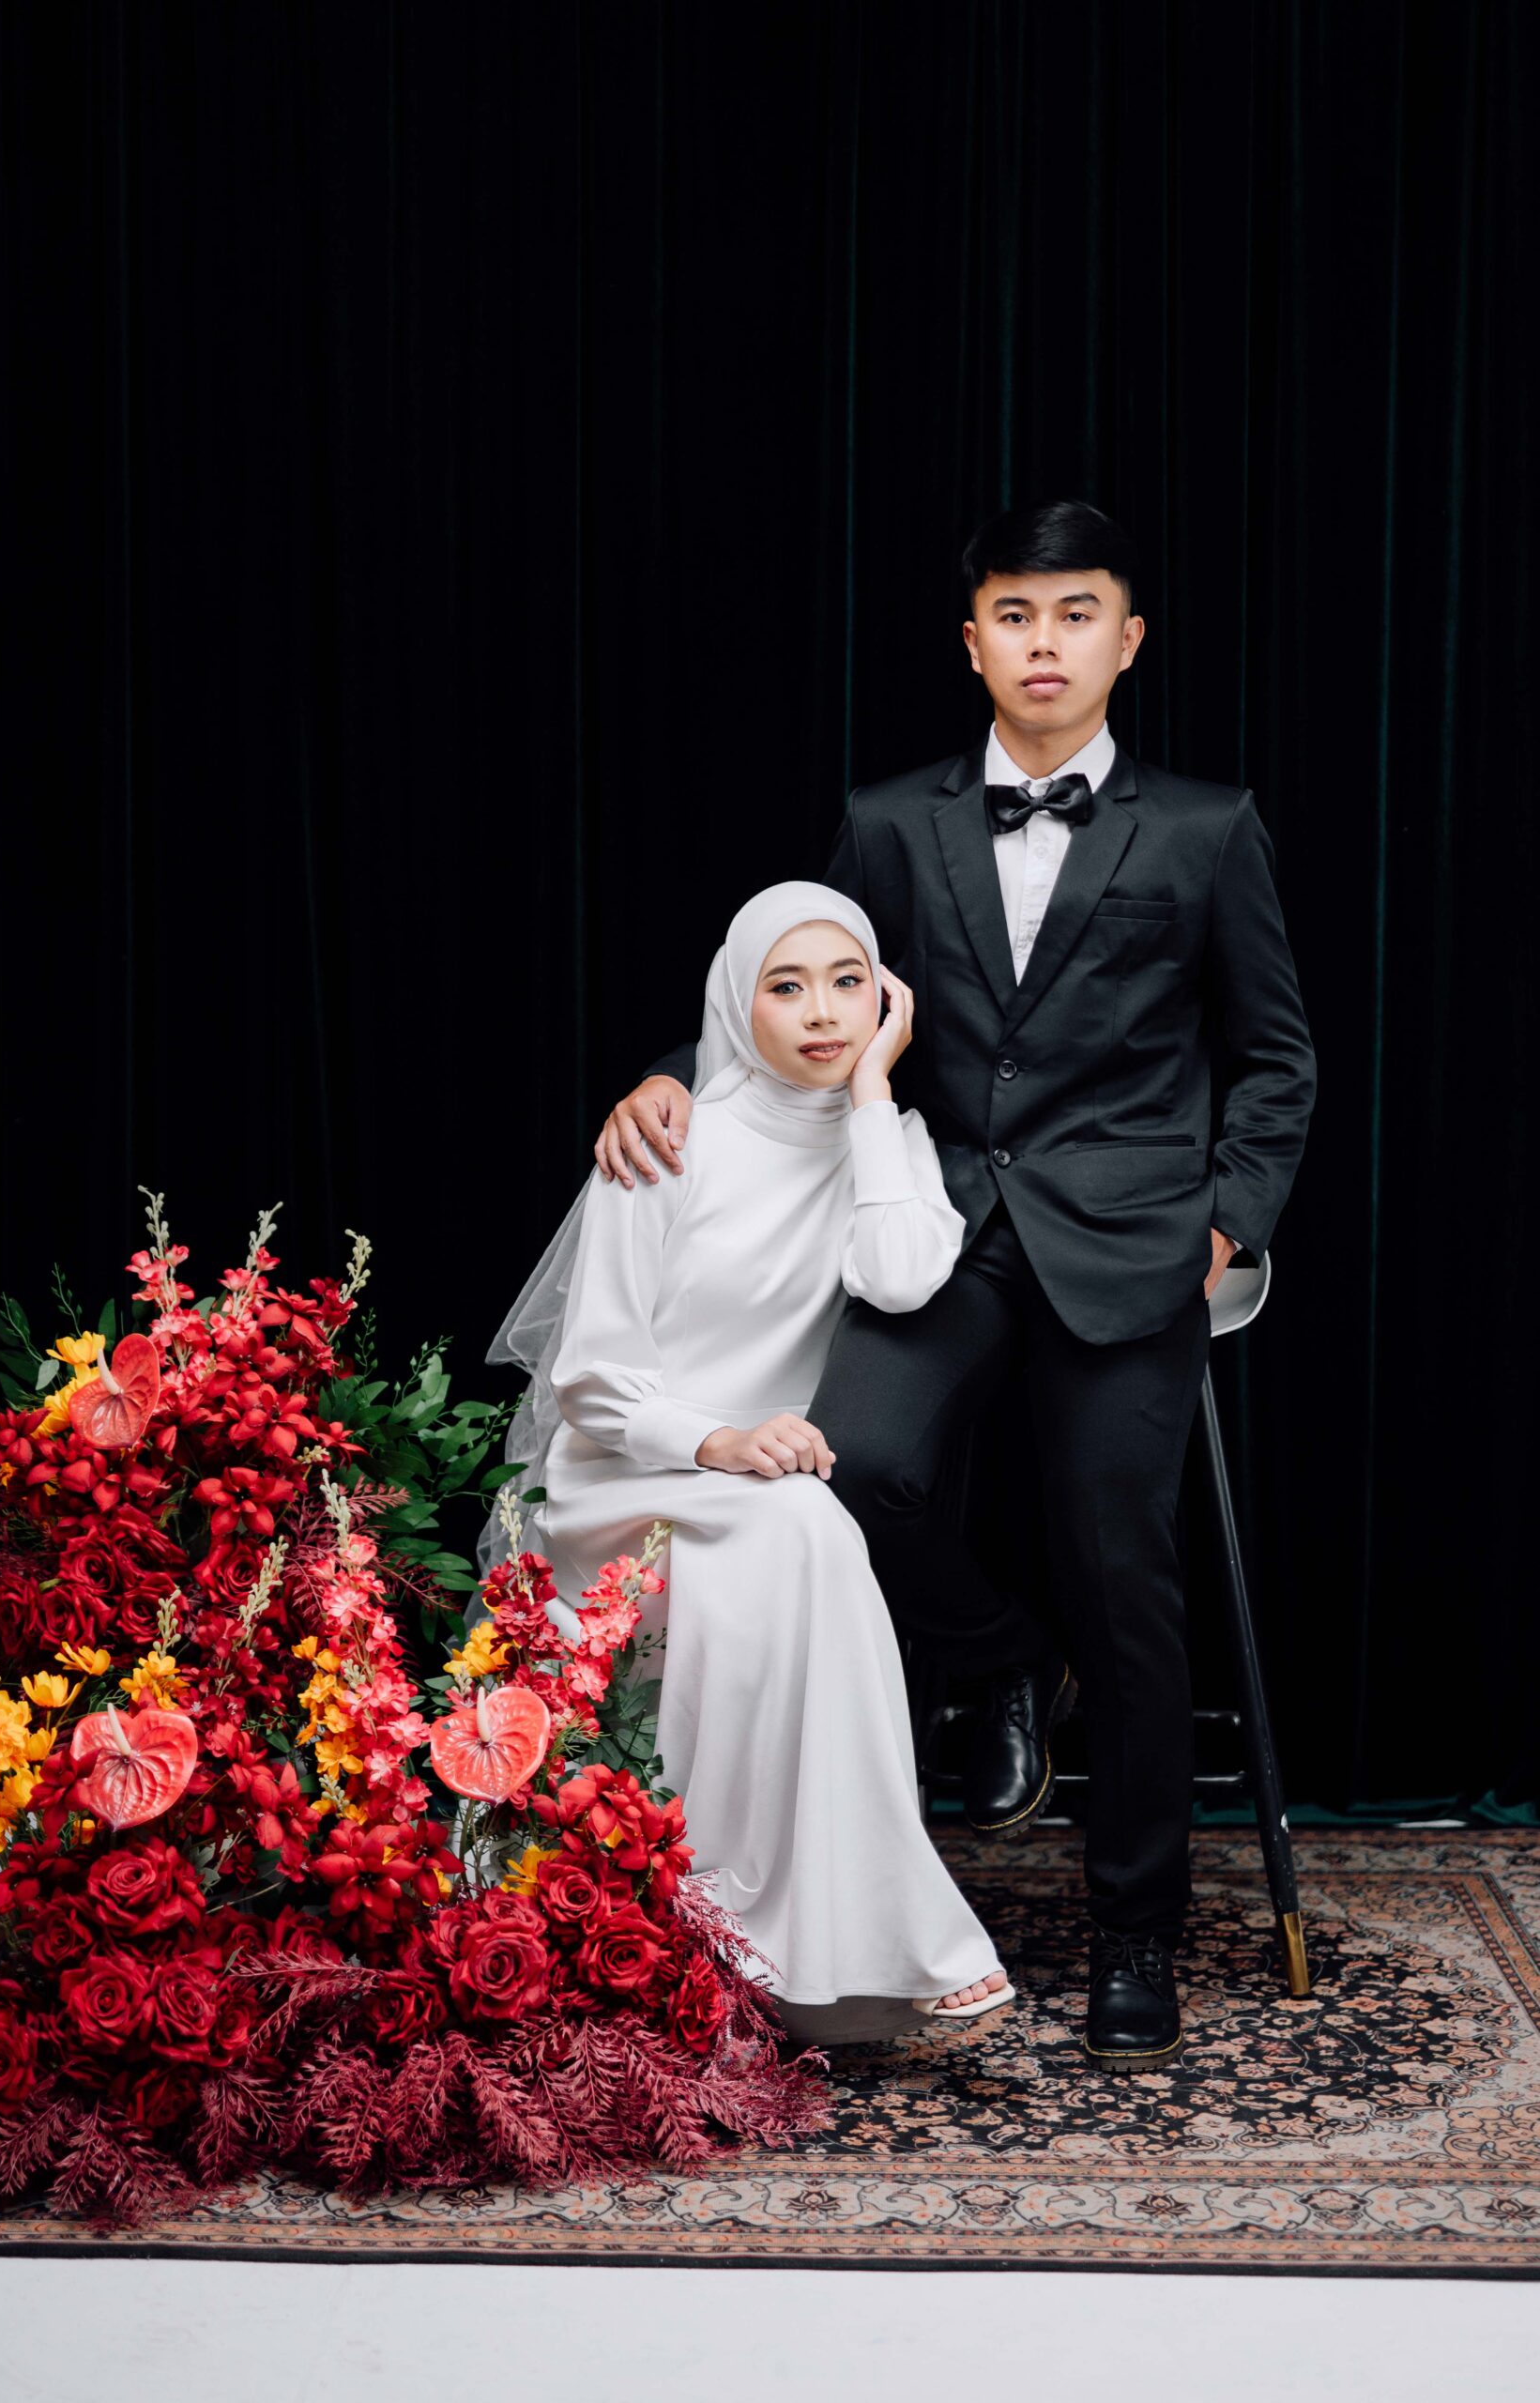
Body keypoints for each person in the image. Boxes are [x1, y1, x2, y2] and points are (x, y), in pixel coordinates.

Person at [594, 499, 1317, 2070]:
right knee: (849, 1475)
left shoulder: (1206, 828)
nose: (1043, 643)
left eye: (1075, 613)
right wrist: (666, 1075)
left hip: (1129, 1244)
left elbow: (1273, 1055)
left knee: (1123, 1572)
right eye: (1013, 614)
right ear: (971, 640)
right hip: (936, 1223)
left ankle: (1133, 1934)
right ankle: (997, 1655)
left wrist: (1225, 1225)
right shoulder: (888, 819)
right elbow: (791, 989)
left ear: (1126, 639)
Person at [493, 880, 1013, 2025]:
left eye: (847, 983)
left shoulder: (891, 1146)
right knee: (807, 1523)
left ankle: (797, 1927)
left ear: (884, 1001)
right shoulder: (671, 1137)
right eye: (785, 986)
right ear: (737, 1002)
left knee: (801, 1525)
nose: (821, 1012)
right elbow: (589, 1380)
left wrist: (872, 1096)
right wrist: (716, 1439)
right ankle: (772, 1916)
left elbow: (900, 1276)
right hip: (629, 1471)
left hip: (766, 1480)